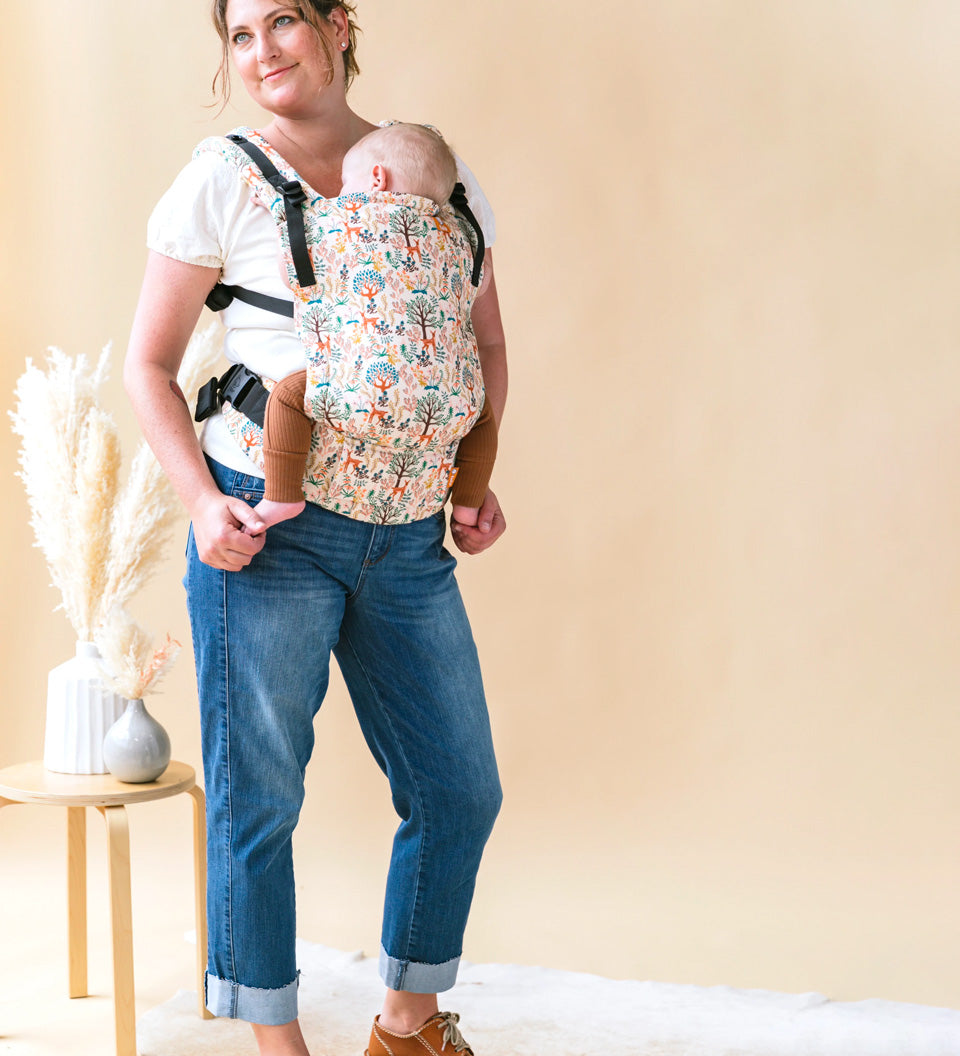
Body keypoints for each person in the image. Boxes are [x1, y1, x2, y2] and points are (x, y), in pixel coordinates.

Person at [123, 3, 507, 1055]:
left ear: (340, 25)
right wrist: (204, 504)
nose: (262, 54)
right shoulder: (227, 175)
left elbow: (482, 347)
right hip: (267, 526)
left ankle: (406, 1024)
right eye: (239, 37)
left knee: (459, 789)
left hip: (406, 531)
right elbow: (147, 366)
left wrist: (476, 477)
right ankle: (276, 1045)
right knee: (260, 803)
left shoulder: (435, 179)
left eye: (282, 22)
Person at [253, 121, 497, 533]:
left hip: (361, 392)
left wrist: (284, 226)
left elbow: (292, 271)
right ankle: (469, 506)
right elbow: (480, 282)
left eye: (346, 183)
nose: (341, 193)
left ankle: (281, 497)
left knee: (288, 397)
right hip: (449, 403)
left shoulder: (337, 224)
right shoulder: (460, 239)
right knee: (483, 419)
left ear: (377, 179)